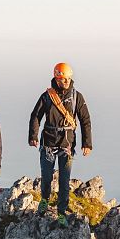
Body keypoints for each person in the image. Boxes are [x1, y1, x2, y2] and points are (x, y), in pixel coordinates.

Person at [28, 63, 92, 227]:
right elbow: (36, 116)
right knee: (47, 176)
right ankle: (44, 199)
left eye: (65, 79)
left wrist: (87, 143)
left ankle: (62, 212)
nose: (63, 81)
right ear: (56, 78)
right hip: (48, 141)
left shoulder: (77, 97)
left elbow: (85, 120)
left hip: (67, 143)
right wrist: (33, 136)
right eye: (60, 79)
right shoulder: (47, 96)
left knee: (64, 180)